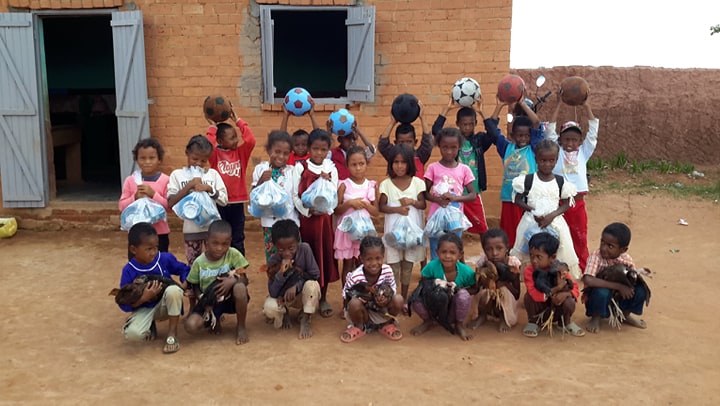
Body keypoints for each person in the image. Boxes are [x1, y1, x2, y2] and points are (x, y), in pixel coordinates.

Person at [510, 138, 581, 279]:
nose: (547, 164)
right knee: (529, 253)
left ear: (556, 160)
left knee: (558, 252)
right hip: (531, 221)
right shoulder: (528, 180)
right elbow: (517, 200)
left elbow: (566, 203)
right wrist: (531, 210)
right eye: (543, 160)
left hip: (555, 223)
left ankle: (555, 279)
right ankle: (531, 280)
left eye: (551, 160)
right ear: (536, 159)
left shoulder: (560, 182)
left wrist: (552, 215)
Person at [432, 96, 503, 234]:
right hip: (453, 194)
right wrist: (446, 109)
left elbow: (494, 134)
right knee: (451, 229)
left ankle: (486, 255)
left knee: (482, 228)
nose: (467, 127)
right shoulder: (453, 142)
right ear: (457, 124)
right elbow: (436, 131)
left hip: (472, 193)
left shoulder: (479, 140)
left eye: (471, 124)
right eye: (464, 124)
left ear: (476, 123)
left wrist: (482, 112)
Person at [545, 95, 599, 271]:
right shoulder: (557, 151)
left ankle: (583, 267)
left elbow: (593, 132)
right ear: (560, 140)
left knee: (579, 236)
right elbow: (550, 130)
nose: (570, 143)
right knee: (558, 237)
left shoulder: (583, 152)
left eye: (574, 140)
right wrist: (560, 104)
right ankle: (558, 268)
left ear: (580, 141)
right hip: (559, 203)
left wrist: (587, 106)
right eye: (566, 139)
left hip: (578, 204)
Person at [118, 222, 189, 354]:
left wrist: (184, 285)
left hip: (166, 305)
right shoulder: (129, 270)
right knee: (133, 334)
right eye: (148, 249)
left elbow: (185, 269)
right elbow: (123, 302)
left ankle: (172, 334)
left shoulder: (164, 259)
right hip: (144, 308)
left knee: (174, 290)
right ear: (134, 250)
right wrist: (144, 298)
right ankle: (149, 324)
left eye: (156, 247)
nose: (153, 252)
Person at [292, 129, 339, 318]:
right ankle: (306, 297)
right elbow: (295, 195)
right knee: (306, 257)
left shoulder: (330, 169)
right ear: (309, 148)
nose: (319, 153)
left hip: (324, 222)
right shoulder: (300, 167)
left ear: (328, 150)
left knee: (324, 256)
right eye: (315, 149)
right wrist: (307, 211)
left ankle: (323, 297)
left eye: (323, 149)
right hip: (307, 222)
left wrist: (326, 209)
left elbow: (334, 195)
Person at [183, 220, 250, 345]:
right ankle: (216, 318)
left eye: (225, 244)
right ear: (207, 240)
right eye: (215, 243)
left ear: (230, 241)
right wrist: (203, 300)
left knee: (240, 287)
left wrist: (233, 281)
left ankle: (241, 326)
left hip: (229, 299)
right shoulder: (199, 262)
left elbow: (244, 279)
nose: (220, 248)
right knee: (190, 326)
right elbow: (195, 284)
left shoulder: (233, 254)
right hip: (209, 300)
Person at [168, 135, 228, 266]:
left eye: (203, 161)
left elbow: (224, 200)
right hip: (191, 230)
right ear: (187, 153)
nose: (198, 164)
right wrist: (189, 186)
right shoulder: (177, 175)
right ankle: (194, 287)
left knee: (215, 263)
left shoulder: (212, 175)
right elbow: (171, 202)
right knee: (193, 265)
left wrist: (209, 189)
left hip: (213, 230)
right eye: (194, 159)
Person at [205, 107, 256, 256]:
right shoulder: (214, 155)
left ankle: (239, 270)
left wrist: (238, 120)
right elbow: (207, 145)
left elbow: (251, 140)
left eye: (236, 136)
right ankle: (221, 267)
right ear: (220, 140)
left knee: (238, 238)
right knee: (219, 237)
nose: (236, 140)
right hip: (219, 202)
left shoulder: (241, 153)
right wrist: (212, 128)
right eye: (231, 138)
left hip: (237, 203)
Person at [378, 144, 426, 299]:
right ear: (391, 164)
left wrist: (411, 201)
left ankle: (404, 298)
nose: (399, 166)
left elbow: (422, 204)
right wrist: (398, 210)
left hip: (412, 233)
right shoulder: (386, 184)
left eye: (403, 162)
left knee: (408, 265)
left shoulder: (417, 183)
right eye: (396, 162)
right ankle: (393, 298)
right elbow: (382, 206)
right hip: (393, 233)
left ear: (410, 164)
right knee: (394, 266)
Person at [494, 97, 544, 246]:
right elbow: (492, 127)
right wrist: (500, 106)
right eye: (519, 135)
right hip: (509, 198)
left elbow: (536, 123)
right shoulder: (506, 147)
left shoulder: (534, 148)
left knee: (527, 235)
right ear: (512, 135)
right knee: (509, 236)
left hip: (528, 199)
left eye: (527, 135)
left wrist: (521, 103)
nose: (523, 138)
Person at [582, 222, 649, 333]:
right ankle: (596, 317)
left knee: (641, 290)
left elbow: (632, 279)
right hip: (597, 297)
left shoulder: (626, 259)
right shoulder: (596, 256)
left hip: (617, 298)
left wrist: (627, 286)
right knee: (602, 292)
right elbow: (588, 279)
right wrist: (618, 286)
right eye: (602, 242)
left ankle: (624, 315)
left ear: (623, 250)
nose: (603, 248)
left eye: (610, 246)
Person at [410, 233, 476, 341]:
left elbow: (475, 288)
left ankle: (459, 324)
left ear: (460, 255)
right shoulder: (431, 267)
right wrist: (437, 286)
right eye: (443, 252)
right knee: (415, 298)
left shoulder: (466, 272)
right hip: (435, 305)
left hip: (453, 308)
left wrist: (456, 290)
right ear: (437, 252)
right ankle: (428, 321)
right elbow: (423, 285)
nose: (447, 256)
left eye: (452, 252)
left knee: (463, 296)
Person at [262, 219, 321, 339]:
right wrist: (280, 273)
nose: (287, 253)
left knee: (312, 285)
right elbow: (273, 292)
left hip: (301, 294)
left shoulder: (304, 249)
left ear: (297, 241)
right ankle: (284, 314)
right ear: (274, 246)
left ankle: (306, 318)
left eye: (291, 248)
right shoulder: (273, 261)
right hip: (283, 299)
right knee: (269, 307)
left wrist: (296, 286)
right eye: (281, 250)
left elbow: (315, 275)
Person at [424, 128, 477, 259]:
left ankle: (452, 277)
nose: (449, 151)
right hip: (436, 218)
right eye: (444, 147)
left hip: (455, 219)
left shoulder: (464, 169)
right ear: (439, 146)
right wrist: (438, 200)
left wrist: (454, 198)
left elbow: (472, 195)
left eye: (453, 148)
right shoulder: (433, 167)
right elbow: (424, 192)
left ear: (459, 147)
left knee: (453, 248)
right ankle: (436, 277)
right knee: (436, 249)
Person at [340, 236, 404, 343]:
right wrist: (363, 299)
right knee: (354, 303)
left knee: (398, 299)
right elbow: (345, 298)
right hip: (362, 311)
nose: (374, 263)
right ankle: (359, 326)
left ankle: (386, 324)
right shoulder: (355, 277)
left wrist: (386, 299)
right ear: (361, 259)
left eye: (378, 258)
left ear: (383, 257)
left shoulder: (387, 271)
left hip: (381, 310)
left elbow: (393, 289)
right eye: (369, 259)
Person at [522, 232, 585, 338]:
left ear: (552, 257)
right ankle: (533, 322)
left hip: (556, 307)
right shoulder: (529, 270)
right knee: (529, 297)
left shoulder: (560, 268)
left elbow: (575, 288)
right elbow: (533, 293)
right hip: (540, 308)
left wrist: (565, 294)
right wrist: (557, 289)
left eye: (539, 257)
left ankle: (565, 322)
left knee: (569, 300)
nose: (534, 260)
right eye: (531, 255)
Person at [251, 130, 300, 261]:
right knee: (273, 257)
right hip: (269, 223)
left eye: (285, 153)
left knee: (291, 257)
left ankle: (292, 281)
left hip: (290, 222)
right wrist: (261, 181)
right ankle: (274, 281)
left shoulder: (292, 171)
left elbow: (296, 195)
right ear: (268, 150)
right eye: (277, 152)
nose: (281, 156)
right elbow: (254, 197)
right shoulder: (260, 169)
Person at [118, 138, 171, 257]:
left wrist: (154, 195)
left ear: (159, 160)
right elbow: (121, 206)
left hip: (159, 234)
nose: (147, 162)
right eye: (142, 158)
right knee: (137, 267)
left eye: (152, 158)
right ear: (137, 160)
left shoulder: (165, 180)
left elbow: (169, 206)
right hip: (137, 235)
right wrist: (135, 197)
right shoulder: (131, 181)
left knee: (159, 266)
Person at [334, 146, 379, 285]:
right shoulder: (343, 185)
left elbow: (376, 212)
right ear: (347, 166)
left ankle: (363, 296)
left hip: (365, 231)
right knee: (348, 265)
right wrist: (350, 204)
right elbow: (336, 210)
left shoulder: (371, 185)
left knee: (364, 263)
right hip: (348, 231)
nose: (358, 168)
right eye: (354, 165)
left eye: (361, 164)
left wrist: (365, 205)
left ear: (366, 164)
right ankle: (346, 298)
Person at [467, 228, 522, 333]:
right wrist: (484, 282)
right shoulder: (483, 261)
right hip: (489, 300)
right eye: (489, 249)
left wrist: (502, 284)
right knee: (484, 292)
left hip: (506, 300)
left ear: (507, 248)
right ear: (484, 249)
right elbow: (476, 287)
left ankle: (504, 318)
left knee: (502, 292)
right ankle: (482, 315)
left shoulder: (513, 264)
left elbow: (517, 294)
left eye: (499, 248)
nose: (494, 253)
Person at [377, 102, 433, 178]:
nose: (405, 145)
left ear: (415, 142)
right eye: (401, 142)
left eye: (409, 142)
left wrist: (422, 118)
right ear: (395, 143)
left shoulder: (420, 156)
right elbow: (383, 144)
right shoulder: (393, 155)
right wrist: (392, 122)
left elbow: (428, 142)